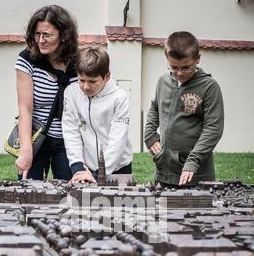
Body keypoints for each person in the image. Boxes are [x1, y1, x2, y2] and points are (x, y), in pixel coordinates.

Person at [144, 31, 224, 186]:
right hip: (164, 171)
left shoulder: (209, 87)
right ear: (167, 59)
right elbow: (154, 108)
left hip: (195, 174)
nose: (179, 73)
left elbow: (213, 128)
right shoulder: (163, 81)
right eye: (174, 67)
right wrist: (149, 134)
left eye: (186, 67)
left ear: (198, 59)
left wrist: (193, 161)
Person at [15, 5, 78, 180]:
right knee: (28, 193)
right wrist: (26, 150)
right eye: (37, 34)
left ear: (63, 36)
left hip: (68, 141)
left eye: (47, 35)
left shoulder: (77, 64)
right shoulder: (27, 60)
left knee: (70, 194)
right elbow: (25, 109)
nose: (40, 40)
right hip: (36, 139)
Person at [62, 46, 133, 183]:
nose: (86, 87)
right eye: (81, 80)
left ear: (107, 77)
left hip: (119, 168)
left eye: (92, 81)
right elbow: (70, 130)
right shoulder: (71, 93)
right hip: (85, 168)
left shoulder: (120, 98)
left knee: (119, 203)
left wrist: (97, 174)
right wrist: (77, 167)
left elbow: (117, 140)